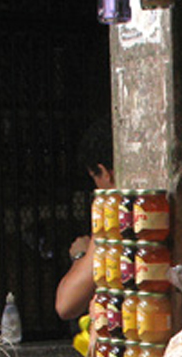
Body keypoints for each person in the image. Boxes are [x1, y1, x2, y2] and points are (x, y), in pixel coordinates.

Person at [55, 119, 116, 321]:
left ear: (105, 173)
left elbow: (66, 305)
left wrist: (82, 254)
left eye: (95, 178)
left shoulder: (116, 216)